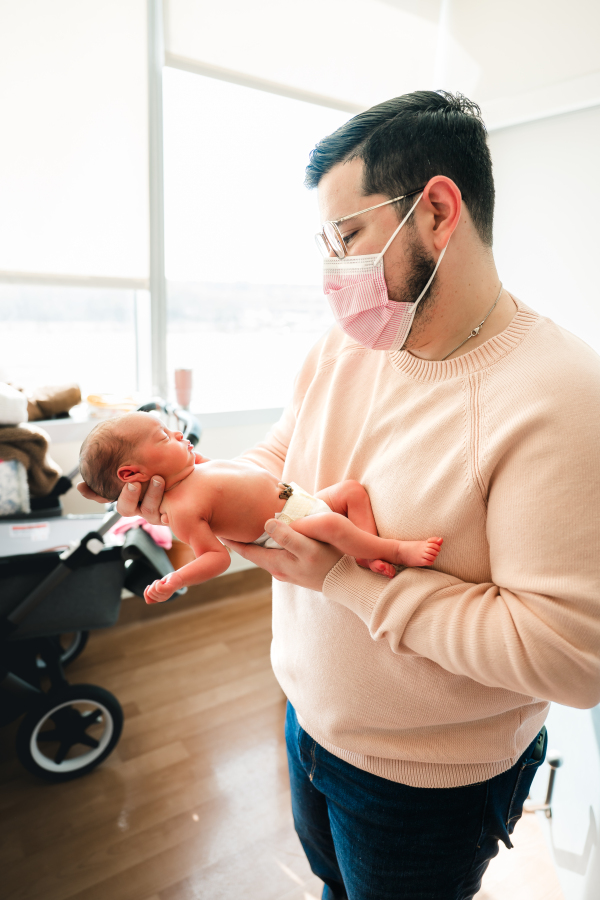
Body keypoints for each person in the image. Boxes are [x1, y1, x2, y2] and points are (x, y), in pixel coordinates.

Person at [79, 91, 600, 899]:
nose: (332, 273)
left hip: (425, 782)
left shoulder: (559, 397)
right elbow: (286, 447)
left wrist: (339, 578)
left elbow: (568, 657)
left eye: (349, 237)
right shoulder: (351, 344)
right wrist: (199, 484)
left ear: (436, 210)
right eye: (325, 244)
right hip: (307, 719)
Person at [78, 412, 443, 602]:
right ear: (132, 472)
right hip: (283, 528)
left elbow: (237, 474)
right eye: (163, 437)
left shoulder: (193, 467)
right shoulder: (181, 508)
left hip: (299, 500)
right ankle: (394, 550)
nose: (178, 435)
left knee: (351, 492)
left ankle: (365, 552)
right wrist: (176, 579)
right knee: (332, 525)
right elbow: (215, 557)